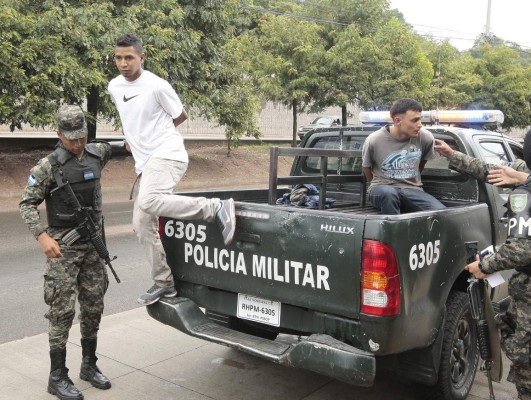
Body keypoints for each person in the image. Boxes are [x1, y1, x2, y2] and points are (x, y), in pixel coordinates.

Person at [107, 33, 236, 306]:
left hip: (168, 154)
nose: (123, 63)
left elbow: (180, 115)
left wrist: (157, 137)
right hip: (145, 162)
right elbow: (130, 117)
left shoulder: (157, 85)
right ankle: (164, 283)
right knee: (141, 225)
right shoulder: (114, 87)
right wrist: (132, 139)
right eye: (118, 58)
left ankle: (215, 208)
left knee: (149, 199)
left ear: (141, 58)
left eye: (129, 57)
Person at [20, 105, 112, 400]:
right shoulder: (46, 167)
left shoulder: (99, 154)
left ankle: (89, 364)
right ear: (58, 133)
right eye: (71, 138)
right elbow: (26, 203)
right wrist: (42, 236)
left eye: (82, 137)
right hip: (63, 246)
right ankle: (57, 376)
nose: (77, 143)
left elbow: (132, 145)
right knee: (61, 311)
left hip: (93, 244)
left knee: (94, 304)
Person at [436, 129, 531, 400]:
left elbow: (523, 249)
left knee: (524, 356)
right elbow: (490, 169)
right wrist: (452, 155)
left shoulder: (526, 192)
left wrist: (486, 265)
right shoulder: (524, 175)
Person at [361, 98, 446, 214]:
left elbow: (421, 164)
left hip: (412, 189)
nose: (420, 125)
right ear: (397, 120)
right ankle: (393, 231)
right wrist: (379, 182)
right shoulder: (374, 139)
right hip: (381, 188)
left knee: (441, 213)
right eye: (414, 120)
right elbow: (366, 167)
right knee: (389, 194)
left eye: (420, 119)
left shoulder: (425, 137)